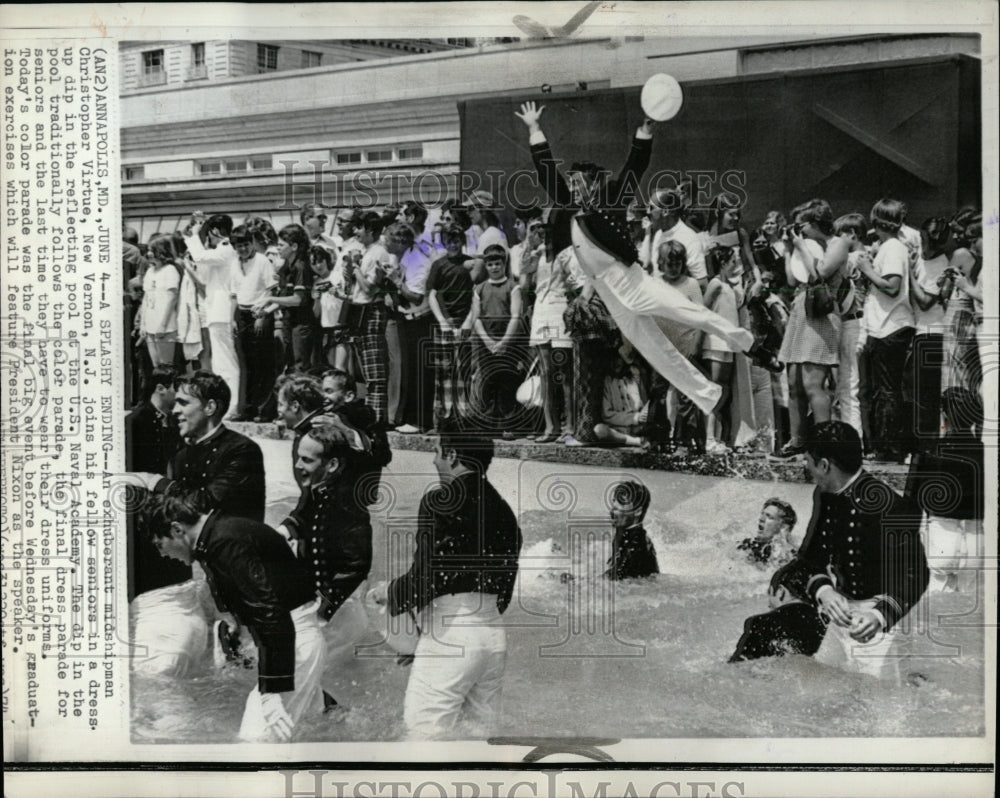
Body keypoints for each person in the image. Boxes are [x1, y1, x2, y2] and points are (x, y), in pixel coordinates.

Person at [515, 101, 778, 421]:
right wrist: (534, 129)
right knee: (656, 351)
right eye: (571, 183)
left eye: (579, 182)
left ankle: (753, 347)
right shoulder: (570, 206)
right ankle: (709, 395)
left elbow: (634, 166)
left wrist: (645, 131)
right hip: (609, 293)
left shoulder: (611, 199)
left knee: (691, 312)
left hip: (631, 279)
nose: (572, 187)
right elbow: (546, 171)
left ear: (594, 185)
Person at [371, 425, 522, 740]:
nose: (434, 461)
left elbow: (428, 574)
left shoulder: (441, 500)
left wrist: (390, 594)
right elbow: (505, 587)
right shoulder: (505, 511)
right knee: (480, 740)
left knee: (421, 738)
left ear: (452, 455)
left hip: (452, 634)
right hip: (493, 638)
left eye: (437, 452)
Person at [152, 490, 328, 742]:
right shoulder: (222, 533)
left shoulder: (224, 543)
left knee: (253, 744)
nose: (163, 554)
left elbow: (270, 611)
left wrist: (272, 689)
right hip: (297, 642)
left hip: (294, 644)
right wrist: (238, 628)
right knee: (324, 727)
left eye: (160, 544)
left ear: (177, 529)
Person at [771, 421, 928, 679]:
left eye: (808, 461)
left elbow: (917, 574)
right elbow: (810, 558)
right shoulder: (825, 494)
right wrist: (825, 591)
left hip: (883, 621)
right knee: (820, 694)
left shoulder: (890, 506)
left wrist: (880, 615)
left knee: (884, 711)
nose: (805, 468)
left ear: (824, 465)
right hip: (841, 611)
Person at [124, 370, 266, 524]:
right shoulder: (182, 453)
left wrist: (155, 482)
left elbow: (208, 504)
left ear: (210, 407)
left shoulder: (242, 450)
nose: (175, 410)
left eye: (183, 403)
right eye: (176, 402)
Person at [280, 424, 373, 623]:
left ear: (331, 465)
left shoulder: (347, 504)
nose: (297, 465)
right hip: (317, 601)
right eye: (299, 457)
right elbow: (301, 516)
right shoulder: (317, 489)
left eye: (306, 460)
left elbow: (356, 567)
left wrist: (323, 610)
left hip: (341, 612)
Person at [775, 200, 843, 459]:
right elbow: (794, 279)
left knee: (813, 383)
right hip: (801, 308)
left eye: (800, 225)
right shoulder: (803, 246)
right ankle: (797, 442)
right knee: (793, 383)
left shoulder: (832, 246)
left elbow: (817, 275)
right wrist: (789, 250)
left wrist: (801, 245)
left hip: (820, 313)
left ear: (814, 224)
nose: (797, 230)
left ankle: (823, 444)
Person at [905, 387, 985, 593]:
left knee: (935, 596)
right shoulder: (987, 454)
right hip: (976, 540)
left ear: (945, 415)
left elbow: (910, 502)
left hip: (942, 536)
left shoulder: (929, 452)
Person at [855, 199, 917, 462]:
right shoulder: (889, 247)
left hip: (890, 327)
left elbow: (892, 286)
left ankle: (889, 449)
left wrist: (867, 270)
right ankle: (886, 446)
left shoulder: (893, 248)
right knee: (883, 389)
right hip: (883, 327)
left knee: (887, 390)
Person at [184, 214, 242, 419]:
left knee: (227, 363)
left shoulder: (227, 249)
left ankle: (233, 406)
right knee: (219, 363)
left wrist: (193, 234)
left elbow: (200, 256)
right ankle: (227, 405)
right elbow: (204, 278)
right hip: (216, 312)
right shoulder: (220, 252)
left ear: (214, 232)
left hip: (224, 312)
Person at [905, 216, 952, 452]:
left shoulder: (942, 263)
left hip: (932, 333)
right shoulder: (919, 258)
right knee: (915, 392)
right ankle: (922, 445)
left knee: (926, 395)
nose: (924, 245)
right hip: (917, 331)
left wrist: (910, 273)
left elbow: (924, 301)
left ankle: (928, 447)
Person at [385, 222, 435, 434]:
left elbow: (416, 296)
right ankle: (412, 417)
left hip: (421, 321)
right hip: (408, 320)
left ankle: (421, 421)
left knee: (420, 371)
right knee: (411, 370)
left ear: (399, 242)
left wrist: (397, 282)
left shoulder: (417, 261)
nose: (384, 242)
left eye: (387, 239)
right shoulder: (403, 257)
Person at [469, 244, 524, 435]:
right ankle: (489, 424)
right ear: (485, 266)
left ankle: (509, 425)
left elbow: (515, 316)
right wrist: (488, 341)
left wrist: (503, 343)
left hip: (507, 338)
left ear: (504, 264)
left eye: (498, 263)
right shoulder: (479, 288)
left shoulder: (513, 286)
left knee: (507, 380)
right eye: (490, 264)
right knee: (488, 380)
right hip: (485, 339)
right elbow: (476, 318)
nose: (494, 267)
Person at [427, 223, 475, 428]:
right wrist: (442, 322)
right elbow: (432, 295)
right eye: (449, 241)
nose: (453, 245)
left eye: (456, 241)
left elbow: (475, 295)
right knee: (444, 372)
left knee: (464, 369)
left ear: (462, 241)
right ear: (444, 243)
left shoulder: (470, 264)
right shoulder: (439, 265)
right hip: (445, 323)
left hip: (465, 323)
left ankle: (465, 416)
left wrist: (467, 323)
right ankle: (444, 418)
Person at [256, 224, 318, 376]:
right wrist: (266, 311)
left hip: (301, 325)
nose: (277, 248)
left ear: (294, 246)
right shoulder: (288, 268)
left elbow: (298, 299)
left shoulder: (301, 267)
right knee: (291, 366)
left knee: (300, 367)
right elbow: (285, 298)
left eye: (281, 245)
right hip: (289, 322)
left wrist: (270, 298)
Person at [231, 224, 277, 421]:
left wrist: (263, 314)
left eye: (246, 244)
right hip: (242, 315)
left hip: (260, 314)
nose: (243, 249)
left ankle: (262, 409)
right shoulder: (234, 264)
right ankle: (247, 409)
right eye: (239, 246)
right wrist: (232, 319)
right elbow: (234, 295)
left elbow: (272, 290)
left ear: (252, 243)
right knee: (246, 365)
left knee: (262, 364)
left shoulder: (263, 261)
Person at [594, 346, 650, 448]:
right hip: (618, 430)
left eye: (619, 359)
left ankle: (636, 439)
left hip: (640, 428)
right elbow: (607, 415)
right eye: (613, 360)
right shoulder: (608, 381)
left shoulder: (635, 376)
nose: (616, 363)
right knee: (600, 430)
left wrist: (644, 413)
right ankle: (636, 441)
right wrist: (634, 418)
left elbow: (645, 402)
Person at [139, 235, 181, 368]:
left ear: (161, 251)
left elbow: (173, 298)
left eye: (152, 250)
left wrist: (163, 325)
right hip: (150, 326)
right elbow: (146, 298)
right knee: (156, 368)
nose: (149, 253)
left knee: (166, 367)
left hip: (166, 327)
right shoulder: (150, 271)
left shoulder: (170, 270)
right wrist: (142, 324)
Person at [604, 481, 659, 580]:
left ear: (638, 511)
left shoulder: (636, 543)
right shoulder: (625, 534)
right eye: (614, 501)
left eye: (621, 502)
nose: (613, 508)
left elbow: (618, 578)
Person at [737, 498, 798, 568]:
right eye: (762, 514)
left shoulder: (789, 555)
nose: (761, 519)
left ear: (783, 527)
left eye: (769, 517)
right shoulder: (747, 545)